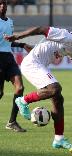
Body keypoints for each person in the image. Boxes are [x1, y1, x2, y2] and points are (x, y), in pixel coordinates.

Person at [4, 26, 72, 149]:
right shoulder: (65, 35)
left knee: (58, 99)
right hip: (32, 64)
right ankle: (23, 100)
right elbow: (40, 29)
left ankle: (59, 139)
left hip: (40, 66)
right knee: (55, 88)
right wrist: (17, 36)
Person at [0, 0, 33, 132]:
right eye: (0, 4)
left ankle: (12, 122)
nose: (2, 6)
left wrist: (22, 45)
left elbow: (8, 42)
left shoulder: (10, 22)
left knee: (20, 88)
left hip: (9, 58)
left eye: (4, 4)